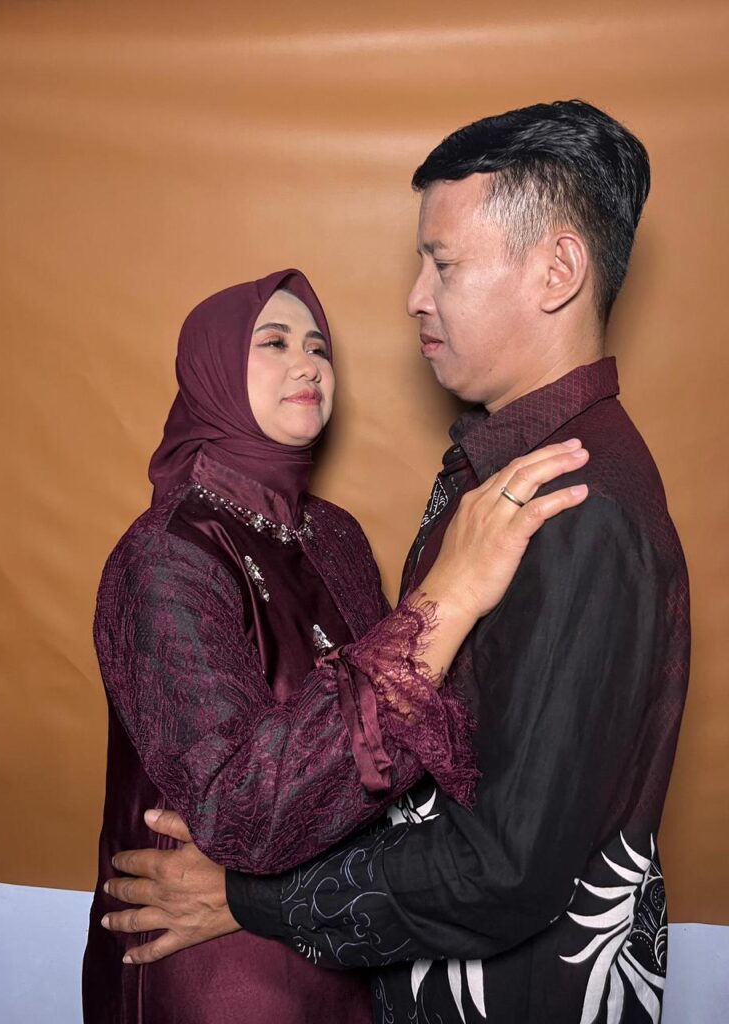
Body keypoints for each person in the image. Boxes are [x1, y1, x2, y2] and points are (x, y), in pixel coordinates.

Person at [104, 100, 690, 1024]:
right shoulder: (498, 477)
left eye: (443, 264)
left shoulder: (574, 508)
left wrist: (249, 899)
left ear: (558, 271)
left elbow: (503, 870)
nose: (415, 296)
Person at [84, 267, 589, 1023]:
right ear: (212, 369)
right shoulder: (165, 556)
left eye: (318, 347)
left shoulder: (335, 536)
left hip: (337, 936)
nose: (308, 364)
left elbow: (403, 737)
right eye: (274, 342)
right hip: (213, 963)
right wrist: (448, 596)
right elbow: (242, 811)